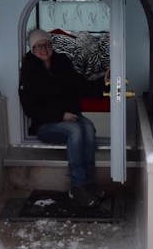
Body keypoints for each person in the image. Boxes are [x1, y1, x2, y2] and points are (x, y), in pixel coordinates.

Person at [19, 29, 101, 207]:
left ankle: (89, 183)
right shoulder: (28, 70)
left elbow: (80, 85)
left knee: (88, 128)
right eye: (39, 46)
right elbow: (31, 109)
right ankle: (77, 186)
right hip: (45, 125)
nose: (44, 49)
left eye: (47, 44)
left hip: (70, 116)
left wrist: (104, 83)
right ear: (32, 49)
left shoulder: (62, 62)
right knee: (76, 131)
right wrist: (60, 115)